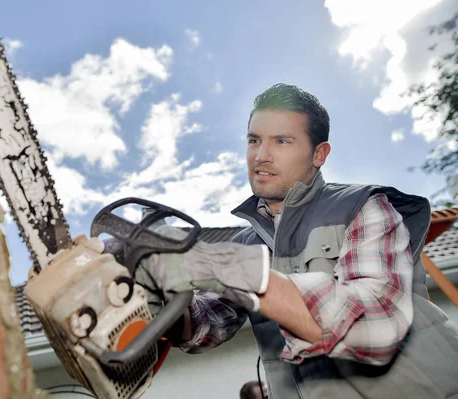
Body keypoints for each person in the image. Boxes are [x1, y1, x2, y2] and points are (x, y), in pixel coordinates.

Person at [134, 83, 458, 398]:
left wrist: (219, 265)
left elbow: (375, 328)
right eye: (253, 140)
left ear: (319, 154)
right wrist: (156, 302)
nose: (261, 156)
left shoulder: (363, 207)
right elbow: (209, 323)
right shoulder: (246, 245)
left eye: (282, 141)